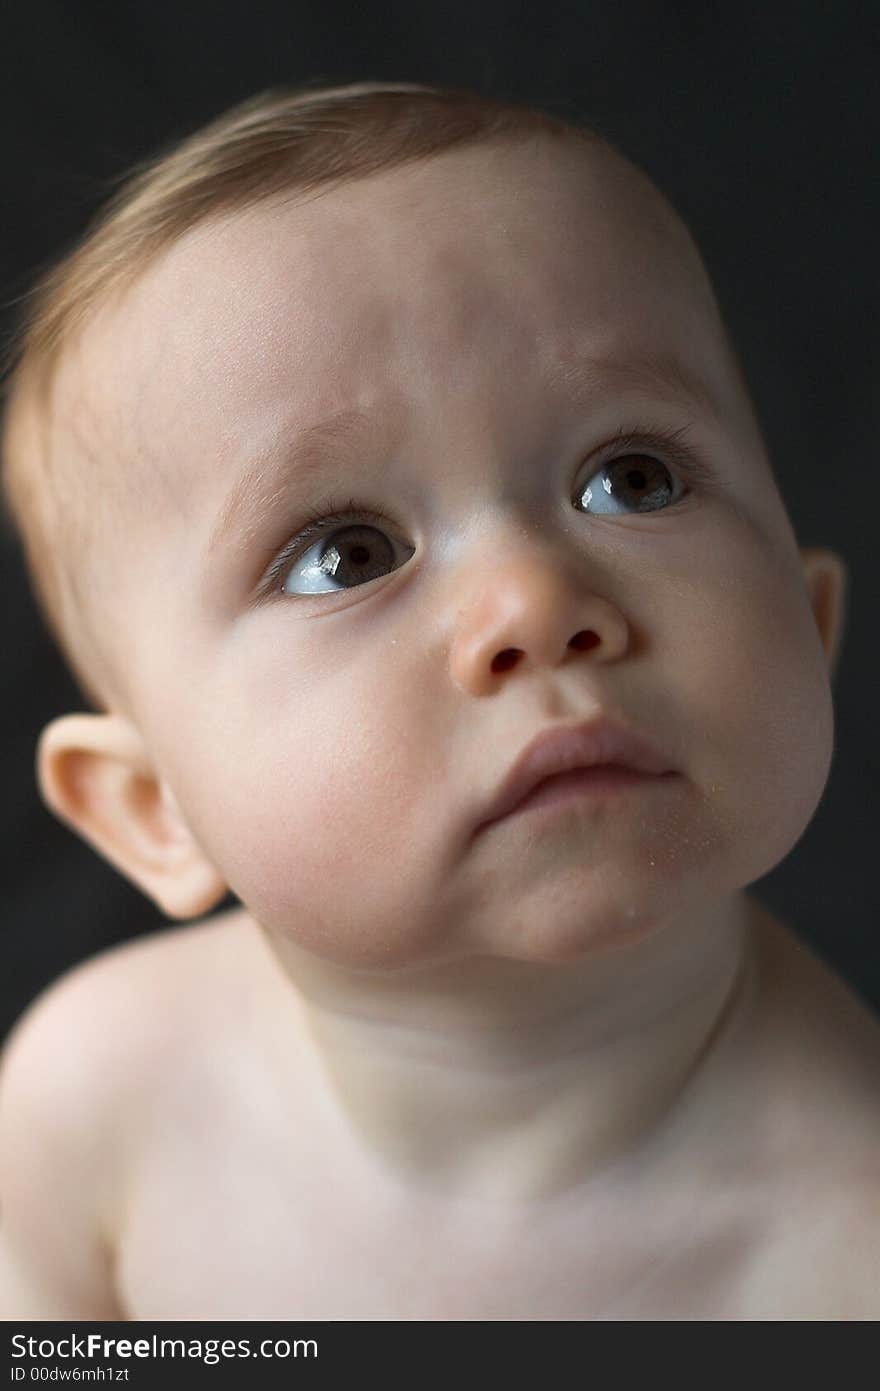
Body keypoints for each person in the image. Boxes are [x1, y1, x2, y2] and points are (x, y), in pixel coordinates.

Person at [0, 80, 875, 1321]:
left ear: (813, 624)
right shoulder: (95, 1104)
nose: (533, 598)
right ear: (153, 808)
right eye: (344, 554)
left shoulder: (844, 1242)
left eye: (631, 475)